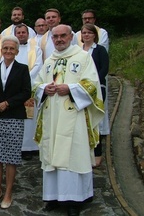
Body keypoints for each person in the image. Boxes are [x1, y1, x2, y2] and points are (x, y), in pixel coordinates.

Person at [34, 24, 104, 216]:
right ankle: (53, 196)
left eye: (63, 36)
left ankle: (75, 199)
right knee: (52, 153)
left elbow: (92, 84)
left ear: (71, 36)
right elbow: (37, 84)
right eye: (55, 37)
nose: (59, 39)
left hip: (75, 116)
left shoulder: (82, 57)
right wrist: (43, 90)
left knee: (73, 156)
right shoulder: (49, 61)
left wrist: (71, 89)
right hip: (52, 117)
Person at [0, 35, 31, 209]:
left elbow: (26, 92)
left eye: (12, 48)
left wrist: (8, 103)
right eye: (5, 48)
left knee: (11, 157)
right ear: (1, 51)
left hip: (14, 116)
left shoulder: (23, 69)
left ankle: (8, 191)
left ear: (17, 51)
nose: (8, 51)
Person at [81, 23, 109, 167]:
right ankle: (84, 152)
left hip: (97, 88)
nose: (86, 35)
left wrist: (93, 83)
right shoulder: (78, 51)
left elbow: (104, 68)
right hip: (80, 90)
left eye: (89, 33)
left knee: (94, 121)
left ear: (94, 35)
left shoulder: (99, 50)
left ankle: (97, 153)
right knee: (82, 121)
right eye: (84, 33)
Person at [14, 24, 43, 160]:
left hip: (30, 86)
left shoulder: (36, 49)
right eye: (18, 32)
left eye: (23, 32)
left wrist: (25, 80)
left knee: (31, 119)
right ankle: (19, 147)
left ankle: (31, 147)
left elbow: (38, 66)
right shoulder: (12, 49)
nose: (21, 34)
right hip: (16, 88)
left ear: (28, 33)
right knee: (19, 117)